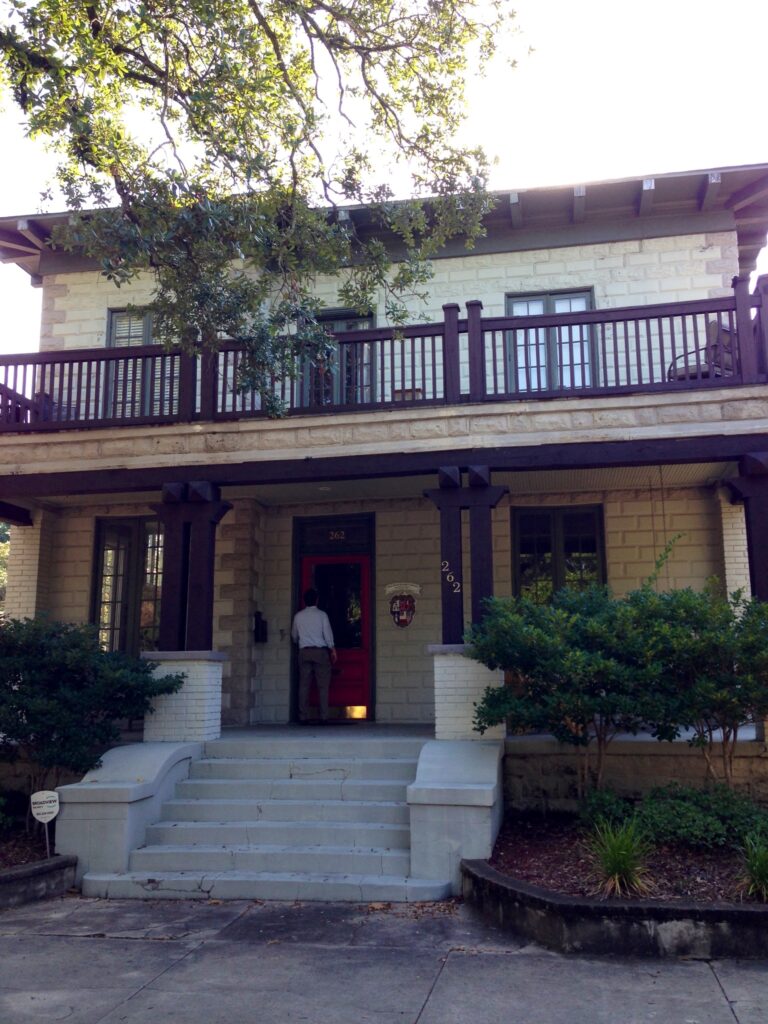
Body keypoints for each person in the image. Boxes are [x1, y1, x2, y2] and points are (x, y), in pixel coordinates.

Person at [291, 587, 337, 723]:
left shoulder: (298, 616)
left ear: (305, 601)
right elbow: (327, 634)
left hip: (304, 652)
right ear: (316, 600)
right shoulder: (322, 615)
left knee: (304, 685)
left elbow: (294, 636)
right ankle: (323, 716)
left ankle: (303, 716)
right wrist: (332, 649)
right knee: (323, 686)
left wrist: (301, 642)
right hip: (320, 652)